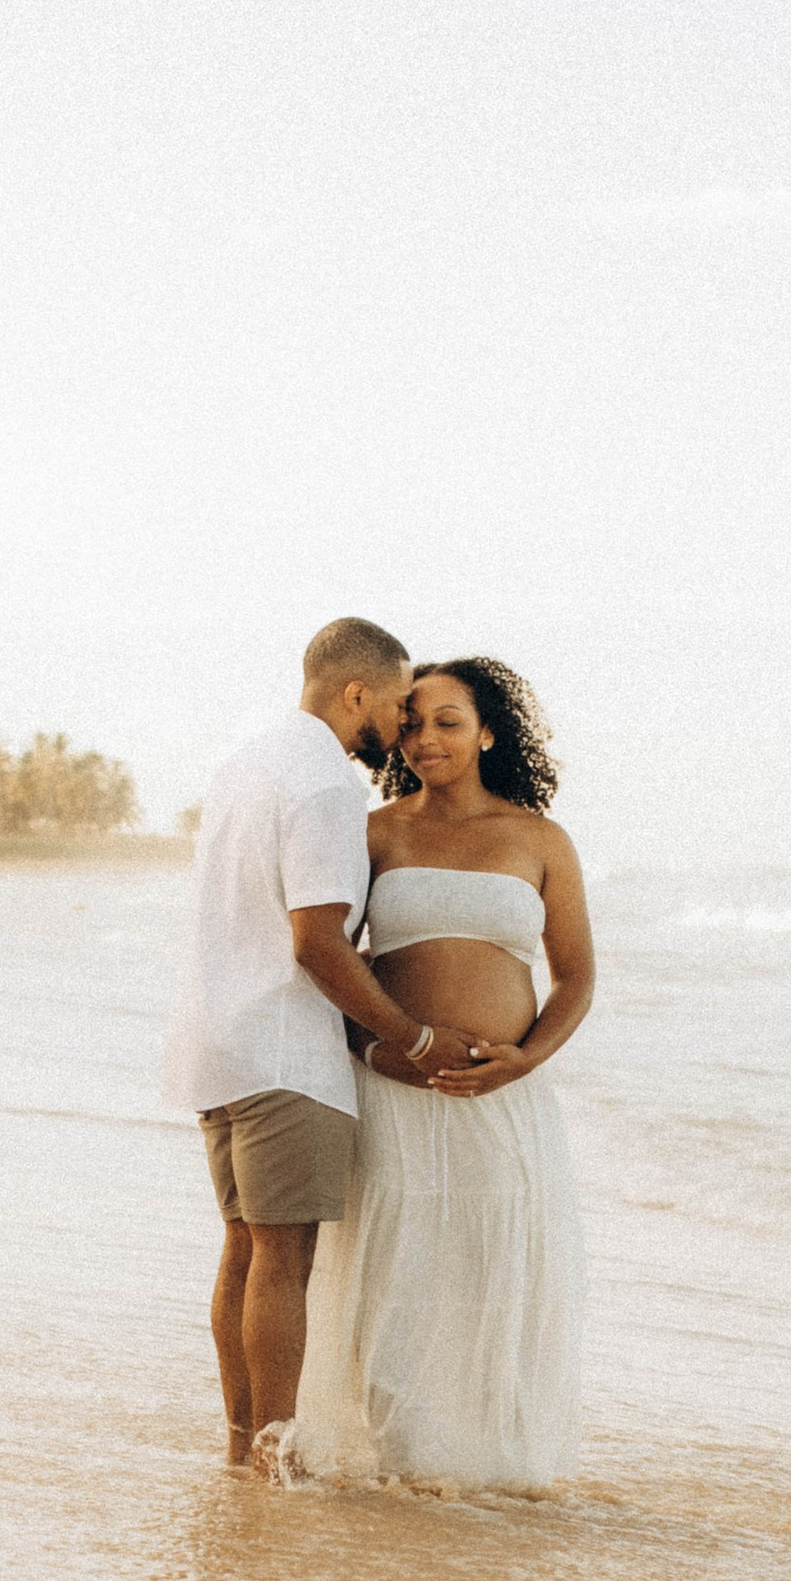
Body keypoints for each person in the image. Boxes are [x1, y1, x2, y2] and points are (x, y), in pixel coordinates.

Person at [162, 620, 480, 1477]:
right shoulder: (327, 784)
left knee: (244, 1250)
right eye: (397, 704)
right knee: (282, 1261)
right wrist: (411, 1035)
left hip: (217, 1043)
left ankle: (243, 1452)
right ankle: (275, 1458)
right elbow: (318, 941)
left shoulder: (244, 763)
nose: (403, 727)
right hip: (281, 1050)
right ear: (355, 695)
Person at [284, 655, 594, 1493]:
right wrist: (371, 1046)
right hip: (395, 1091)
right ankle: (410, 1462)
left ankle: (498, 1464)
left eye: (448, 722)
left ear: (489, 731)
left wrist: (524, 1059)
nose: (424, 739)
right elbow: (330, 957)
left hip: (504, 1099)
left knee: (496, 1273)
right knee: (399, 1275)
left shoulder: (540, 840)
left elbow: (575, 977)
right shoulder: (377, 831)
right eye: (412, 722)